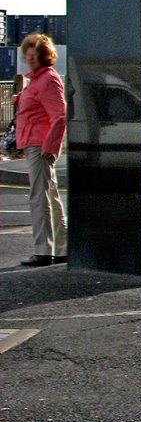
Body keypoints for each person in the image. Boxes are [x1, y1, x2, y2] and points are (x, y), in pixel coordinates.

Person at [14, 34, 67, 267]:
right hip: (36, 142)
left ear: (44, 56)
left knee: (39, 197)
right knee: (50, 195)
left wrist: (50, 146)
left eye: (33, 55)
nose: (29, 58)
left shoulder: (46, 80)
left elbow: (60, 115)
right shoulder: (38, 80)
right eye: (27, 54)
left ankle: (43, 250)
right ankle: (63, 246)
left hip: (39, 145)